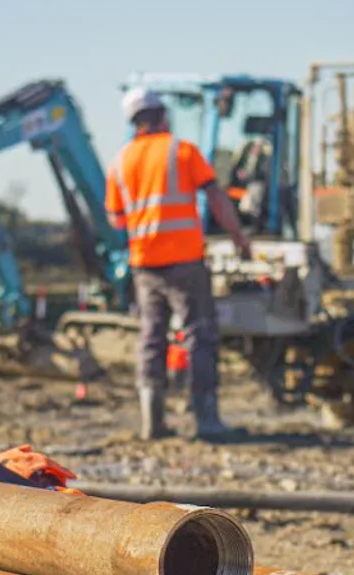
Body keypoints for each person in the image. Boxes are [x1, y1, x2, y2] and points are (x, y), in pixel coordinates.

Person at [106, 88, 251, 441]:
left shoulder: (120, 161)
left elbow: (115, 219)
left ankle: (151, 421)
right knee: (199, 335)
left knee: (151, 338)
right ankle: (207, 421)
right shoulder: (181, 151)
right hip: (185, 260)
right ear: (162, 115)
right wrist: (239, 238)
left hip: (145, 264)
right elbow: (216, 197)